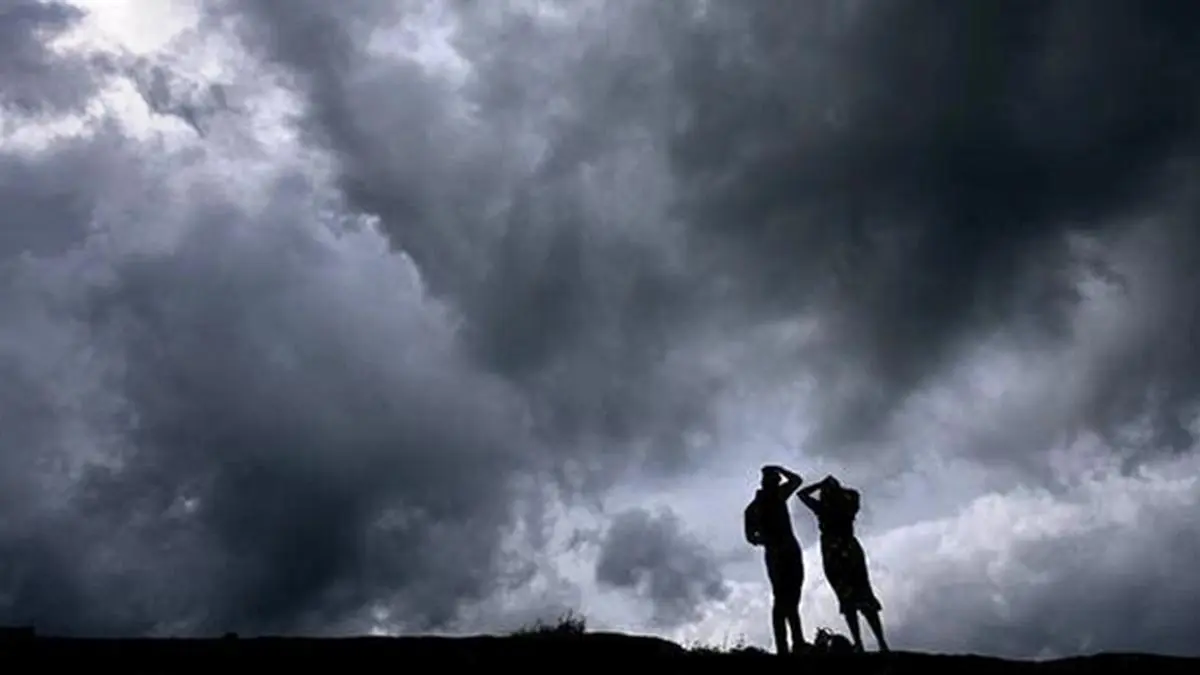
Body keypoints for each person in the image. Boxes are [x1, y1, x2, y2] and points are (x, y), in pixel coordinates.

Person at [796, 475, 889, 653]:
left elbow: (802, 494)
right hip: (847, 551)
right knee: (860, 598)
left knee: (852, 600)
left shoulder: (824, 507)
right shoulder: (848, 503)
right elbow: (853, 494)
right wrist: (835, 487)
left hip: (834, 554)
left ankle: (862, 643)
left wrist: (820, 485)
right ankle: (879, 643)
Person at [744, 464, 807, 655]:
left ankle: (796, 642)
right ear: (766, 483)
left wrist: (779, 468)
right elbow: (750, 536)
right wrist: (766, 540)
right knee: (782, 599)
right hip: (779, 553)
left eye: (776, 480)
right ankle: (785, 645)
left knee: (791, 598)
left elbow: (796, 480)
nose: (776, 482)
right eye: (773, 479)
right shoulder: (761, 503)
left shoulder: (776, 497)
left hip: (788, 550)